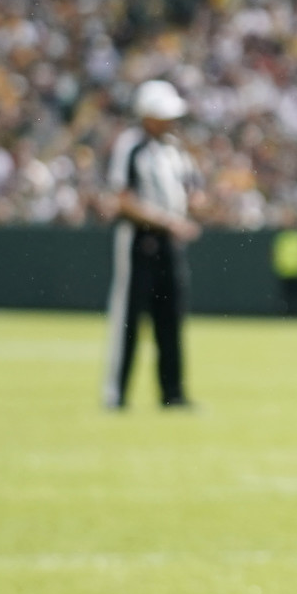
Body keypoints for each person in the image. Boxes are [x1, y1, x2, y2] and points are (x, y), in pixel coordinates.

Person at [102, 78, 201, 409]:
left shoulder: (174, 150)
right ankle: (116, 394)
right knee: (129, 319)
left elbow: (192, 191)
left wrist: (198, 205)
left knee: (170, 320)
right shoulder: (131, 145)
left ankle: (172, 393)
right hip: (139, 242)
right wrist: (167, 221)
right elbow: (123, 199)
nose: (170, 122)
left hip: (171, 246)